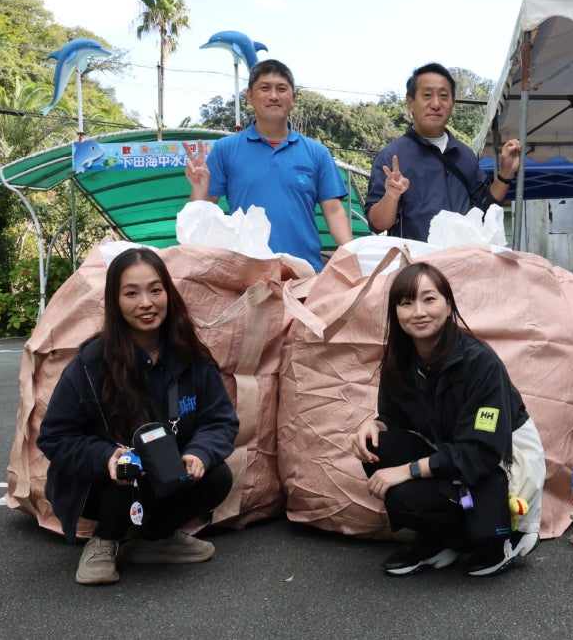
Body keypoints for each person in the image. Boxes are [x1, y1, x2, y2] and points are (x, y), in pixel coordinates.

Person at [37, 247, 240, 585]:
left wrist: (199, 453)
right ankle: (105, 540)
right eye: (131, 293)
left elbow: (221, 420)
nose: (146, 302)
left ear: (168, 294)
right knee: (128, 473)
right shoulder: (90, 363)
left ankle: (155, 539)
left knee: (218, 478)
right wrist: (107, 457)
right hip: (104, 486)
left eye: (155, 290)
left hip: (167, 476)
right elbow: (54, 437)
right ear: (115, 302)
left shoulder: (192, 355)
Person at [350, 262, 539, 577]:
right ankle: (442, 538)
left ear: (448, 304)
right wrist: (376, 426)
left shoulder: (480, 363)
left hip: (497, 463)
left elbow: (480, 453)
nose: (418, 311)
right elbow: (394, 417)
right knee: (379, 451)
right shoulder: (400, 359)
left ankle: (505, 537)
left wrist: (409, 470)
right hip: (453, 464)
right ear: (395, 312)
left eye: (429, 299)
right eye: (406, 302)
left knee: (483, 539)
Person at [184, 59, 352, 270]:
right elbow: (204, 211)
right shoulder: (226, 149)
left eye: (281, 89)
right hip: (245, 273)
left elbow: (334, 211)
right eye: (265, 88)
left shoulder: (316, 152)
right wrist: (199, 189)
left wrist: (352, 256)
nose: (274, 96)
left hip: (304, 272)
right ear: (249, 96)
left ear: (293, 98)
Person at [364, 62, 522, 242]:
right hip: (416, 265)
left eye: (444, 96)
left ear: (453, 104)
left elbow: (486, 207)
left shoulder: (465, 155)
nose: (436, 104)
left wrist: (506, 172)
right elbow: (376, 224)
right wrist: (391, 196)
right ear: (410, 102)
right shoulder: (391, 158)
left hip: (461, 262)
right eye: (427, 95)